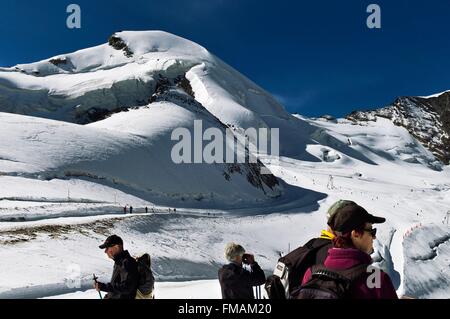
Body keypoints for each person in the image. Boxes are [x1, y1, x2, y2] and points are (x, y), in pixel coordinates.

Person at [300, 200, 398, 299]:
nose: (374, 237)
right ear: (355, 234)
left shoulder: (311, 274)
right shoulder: (377, 279)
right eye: (371, 231)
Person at [94, 235, 140, 299]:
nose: (105, 251)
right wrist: (108, 296)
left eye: (107, 248)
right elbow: (118, 288)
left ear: (117, 247)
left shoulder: (127, 262)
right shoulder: (119, 263)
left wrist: (104, 287)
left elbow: (127, 287)